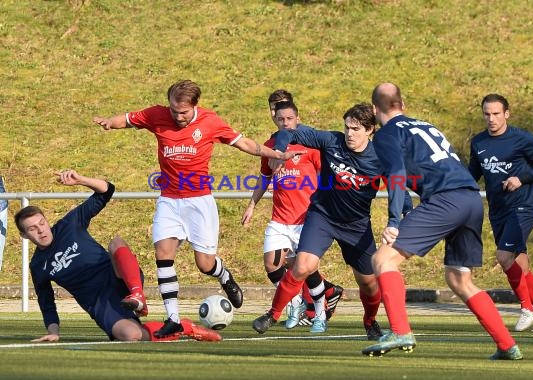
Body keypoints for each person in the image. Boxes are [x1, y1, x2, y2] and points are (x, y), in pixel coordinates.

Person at [93, 80, 303, 338]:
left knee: (204, 264)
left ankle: (224, 276)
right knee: (163, 252)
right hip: (169, 200)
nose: (177, 116)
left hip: (199, 202)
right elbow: (127, 119)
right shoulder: (156, 114)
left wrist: (276, 154)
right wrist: (109, 123)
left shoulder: (210, 122)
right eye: (174, 110)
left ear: (194, 106)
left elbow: (245, 143)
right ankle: (173, 318)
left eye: (183, 112)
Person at [363, 83, 522, 360]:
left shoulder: (387, 133)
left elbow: (398, 172)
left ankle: (400, 331)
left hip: (445, 199)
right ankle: (507, 344)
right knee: (459, 279)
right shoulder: (426, 126)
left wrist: (393, 220)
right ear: (402, 104)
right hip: (471, 198)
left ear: (376, 109)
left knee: (382, 260)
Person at [252, 102, 411, 338]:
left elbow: (399, 190)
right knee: (302, 266)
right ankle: (273, 315)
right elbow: (288, 132)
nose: (349, 134)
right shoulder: (331, 141)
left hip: (356, 225)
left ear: (369, 130)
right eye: (347, 127)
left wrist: (403, 214)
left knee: (369, 284)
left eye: (356, 129)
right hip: (322, 216)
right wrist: (281, 149)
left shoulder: (381, 158)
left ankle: (370, 322)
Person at [15, 170, 221, 342]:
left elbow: (107, 191)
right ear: (24, 235)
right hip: (99, 303)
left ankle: (138, 295)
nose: (41, 230)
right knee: (131, 335)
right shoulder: (38, 265)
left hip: (119, 277)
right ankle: (185, 327)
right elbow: (46, 302)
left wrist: (81, 180)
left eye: (41, 223)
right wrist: (53, 332)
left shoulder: (69, 224)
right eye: (32, 229)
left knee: (116, 243)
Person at [241, 96, 343, 329]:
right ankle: (295, 301)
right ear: (274, 120)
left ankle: (319, 315)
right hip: (280, 219)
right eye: (281, 119)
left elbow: (327, 177)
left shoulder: (311, 147)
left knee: (306, 269)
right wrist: (252, 205)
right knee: (271, 264)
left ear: (298, 119)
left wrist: (327, 205)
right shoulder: (270, 145)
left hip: (306, 218)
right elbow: (265, 177)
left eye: (289, 118)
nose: (285, 123)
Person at [468, 93, 533, 333]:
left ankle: (527, 308)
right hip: (497, 210)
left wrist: (522, 178)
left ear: (506, 114)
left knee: (503, 255)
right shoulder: (478, 142)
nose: (491, 118)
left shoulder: (521, 138)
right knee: (520, 265)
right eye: (487, 114)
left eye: (496, 113)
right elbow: (472, 175)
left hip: (521, 207)